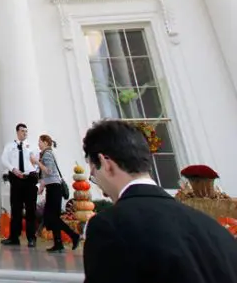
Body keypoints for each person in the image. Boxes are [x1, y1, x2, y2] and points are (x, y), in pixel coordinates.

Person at [82, 120, 237, 283]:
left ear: (106, 164)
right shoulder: (215, 229)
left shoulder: (110, 226)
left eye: (93, 174)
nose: (98, 184)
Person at [36, 134, 79, 253]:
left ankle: (73, 235)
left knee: (52, 217)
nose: (38, 144)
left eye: (39, 141)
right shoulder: (46, 154)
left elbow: (49, 171)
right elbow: (47, 174)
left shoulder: (48, 154)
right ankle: (58, 243)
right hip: (52, 187)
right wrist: (42, 186)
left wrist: (37, 162)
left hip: (55, 188)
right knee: (52, 216)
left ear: (45, 142)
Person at [0, 123, 40, 247]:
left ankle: (31, 238)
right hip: (16, 179)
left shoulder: (32, 146)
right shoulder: (10, 146)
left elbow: (38, 161)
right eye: (22, 131)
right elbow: (4, 159)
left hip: (30, 179)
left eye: (26, 131)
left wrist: (36, 176)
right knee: (16, 208)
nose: (25, 133)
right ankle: (14, 237)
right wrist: (13, 169)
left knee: (30, 209)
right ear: (17, 132)